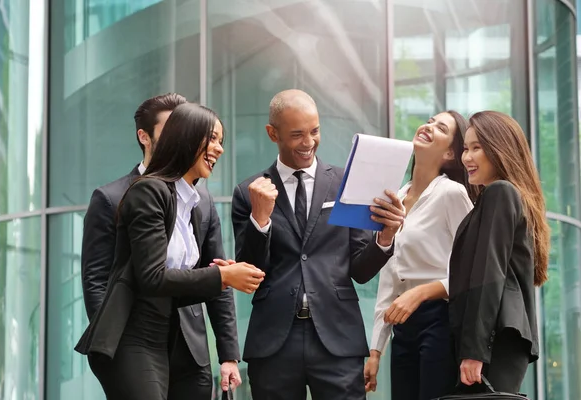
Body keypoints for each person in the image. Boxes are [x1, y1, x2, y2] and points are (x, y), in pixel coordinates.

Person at [75, 103, 266, 400]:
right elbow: (150, 278)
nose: (220, 149)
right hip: (134, 339)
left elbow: (192, 281)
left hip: (182, 342)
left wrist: (223, 278)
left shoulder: (196, 202)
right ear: (187, 137)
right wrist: (221, 275)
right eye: (212, 139)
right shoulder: (148, 191)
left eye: (221, 141)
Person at [231, 89, 386, 400]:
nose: (309, 142)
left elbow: (361, 270)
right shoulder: (249, 191)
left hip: (338, 338)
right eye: (297, 134)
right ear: (272, 133)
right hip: (274, 340)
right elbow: (250, 273)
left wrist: (385, 237)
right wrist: (260, 220)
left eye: (315, 131)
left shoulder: (346, 184)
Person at [363, 111, 476, 400]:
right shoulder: (395, 198)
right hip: (402, 327)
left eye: (440, 128)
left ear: (450, 152)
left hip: (440, 319)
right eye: (429, 121)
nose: (428, 127)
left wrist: (424, 293)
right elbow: (390, 278)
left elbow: (473, 270)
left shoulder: (452, 194)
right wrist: (375, 350)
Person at [450, 110, 549, 393]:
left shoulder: (501, 193)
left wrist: (474, 350)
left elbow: (488, 274)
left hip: (494, 339)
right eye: (465, 149)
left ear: (499, 148)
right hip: (498, 338)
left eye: (476, 148)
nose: (466, 158)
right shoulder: (501, 197)